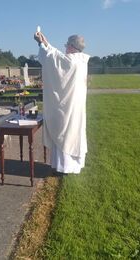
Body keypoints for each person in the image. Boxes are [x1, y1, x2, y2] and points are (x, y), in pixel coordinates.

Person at [34, 31, 90, 174]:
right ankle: (71, 166)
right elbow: (56, 56)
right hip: (76, 105)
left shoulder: (71, 61)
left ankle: (64, 167)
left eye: (67, 46)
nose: (65, 49)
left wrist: (41, 43)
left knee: (64, 132)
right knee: (73, 132)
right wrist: (45, 42)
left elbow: (53, 58)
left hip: (68, 106)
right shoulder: (81, 61)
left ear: (71, 47)